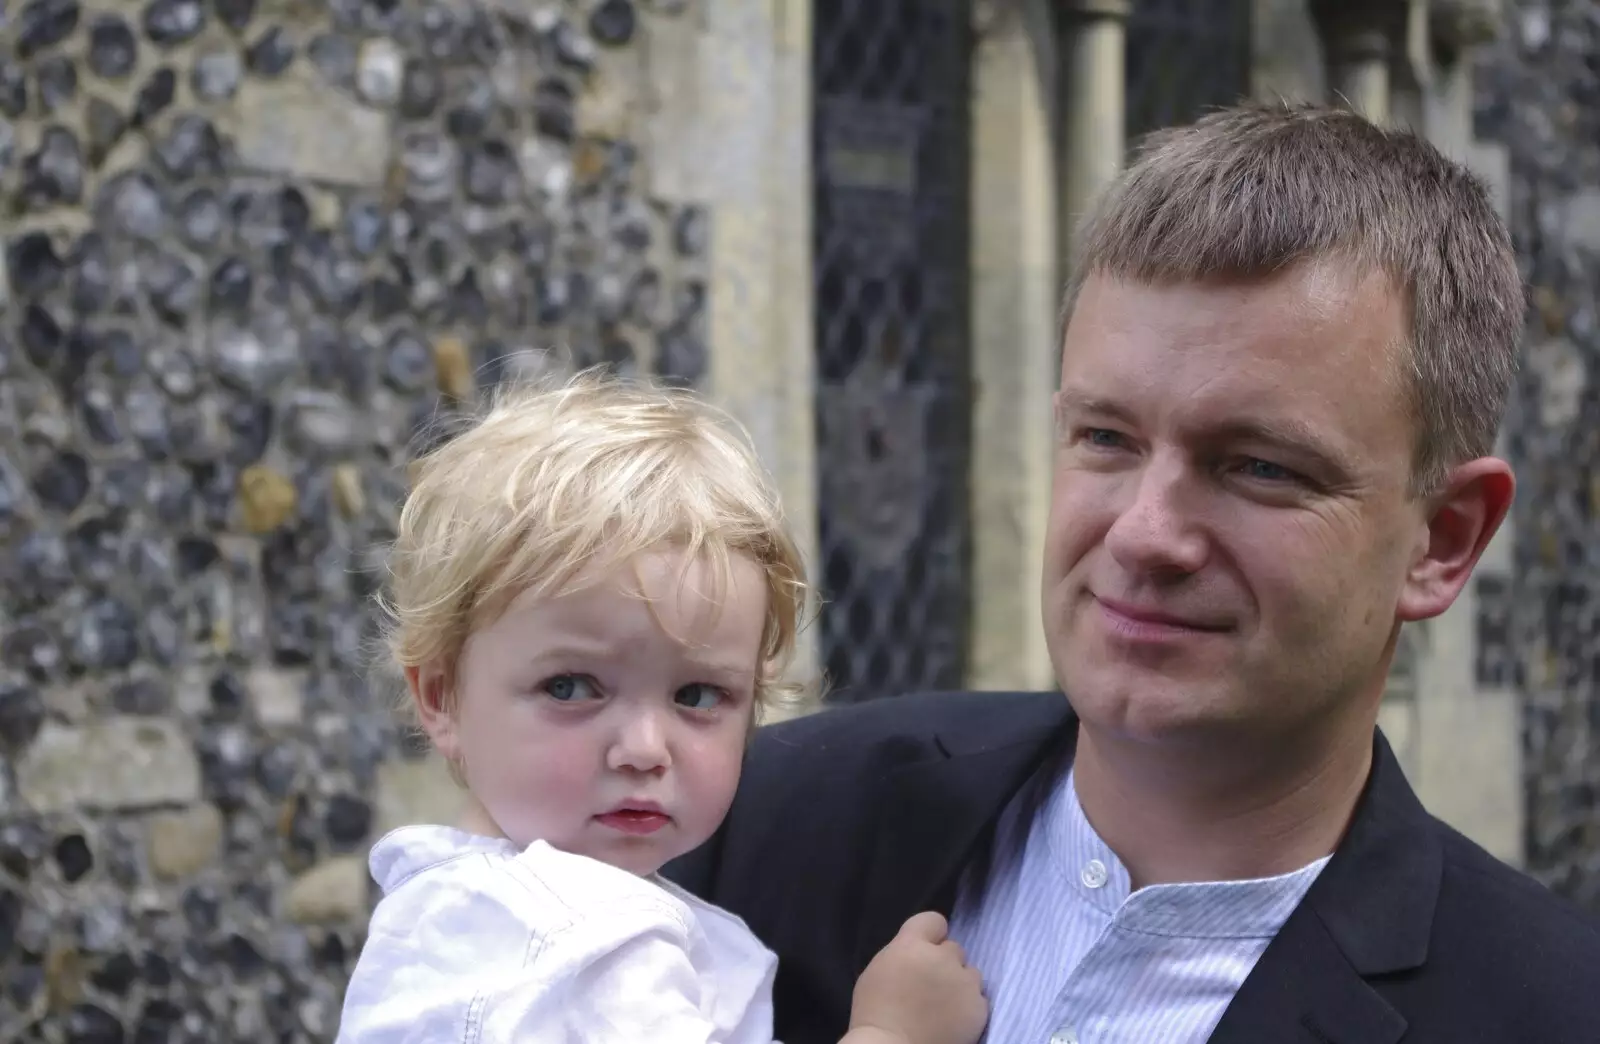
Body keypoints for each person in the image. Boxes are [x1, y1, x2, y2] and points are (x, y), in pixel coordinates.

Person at [664, 102, 1600, 1043]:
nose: (1146, 535)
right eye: (1106, 438)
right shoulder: (758, 819)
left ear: (1442, 538)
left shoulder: (1546, 1011)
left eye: (1259, 467)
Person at [335, 372, 989, 1044]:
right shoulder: (595, 945)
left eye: (698, 696)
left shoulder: (443, 915)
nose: (646, 748)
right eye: (570, 687)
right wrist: (894, 1033)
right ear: (441, 696)